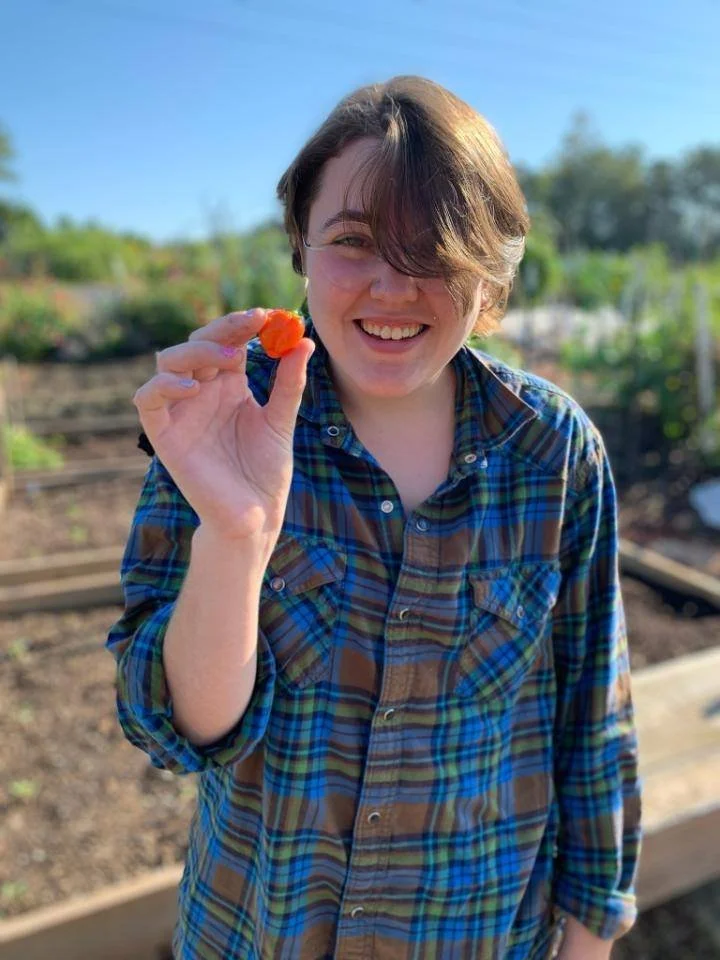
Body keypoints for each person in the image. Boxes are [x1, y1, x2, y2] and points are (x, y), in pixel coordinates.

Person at [107, 75, 642, 960]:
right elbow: (179, 733)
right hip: (255, 934)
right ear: (302, 250)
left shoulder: (554, 454)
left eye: (434, 245)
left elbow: (596, 723)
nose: (393, 286)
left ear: (490, 270)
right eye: (354, 241)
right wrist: (236, 538)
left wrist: (587, 945)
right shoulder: (222, 421)